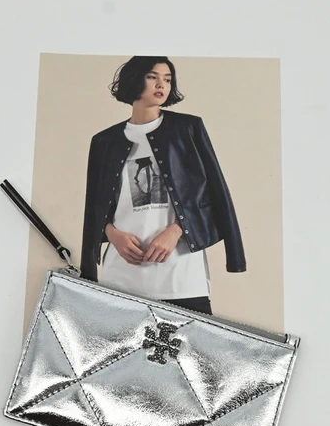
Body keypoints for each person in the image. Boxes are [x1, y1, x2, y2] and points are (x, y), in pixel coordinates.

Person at [80, 56, 246, 315]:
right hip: (121, 279)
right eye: (152, 77)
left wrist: (177, 230)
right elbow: (95, 206)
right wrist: (111, 234)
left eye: (167, 79)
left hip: (181, 278)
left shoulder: (187, 129)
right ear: (134, 79)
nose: (162, 85)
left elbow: (216, 193)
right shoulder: (104, 141)